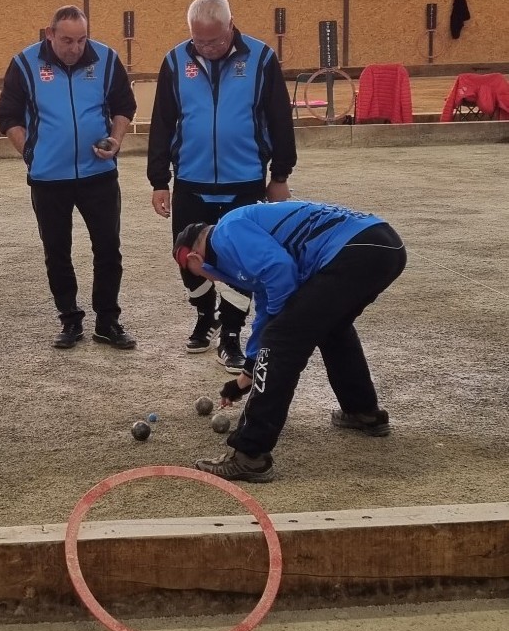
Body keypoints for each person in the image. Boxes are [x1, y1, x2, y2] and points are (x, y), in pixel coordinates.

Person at [173, 200, 407, 482]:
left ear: (195, 260)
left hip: (353, 250)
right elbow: (266, 307)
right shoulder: (241, 237)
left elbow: (280, 270)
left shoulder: (226, 232)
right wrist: (245, 377)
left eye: (198, 273)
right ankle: (362, 411)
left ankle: (249, 453)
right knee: (331, 326)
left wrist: (280, 332)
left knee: (283, 340)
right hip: (383, 245)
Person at [148, 0, 296, 373]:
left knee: (238, 262)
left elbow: (280, 118)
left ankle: (230, 334)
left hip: (244, 181)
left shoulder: (261, 58)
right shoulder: (175, 61)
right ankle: (203, 315)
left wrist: (279, 175)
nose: (207, 48)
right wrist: (159, 180)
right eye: (199, 41)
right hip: (191, 181)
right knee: (186, 257)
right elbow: (163, 122)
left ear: (231, 27)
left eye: (214, 41)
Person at [0, 5, 138, 349]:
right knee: (57, 251)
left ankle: (107, 321)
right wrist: (30, 152)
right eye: (67, 40)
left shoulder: (106, 59)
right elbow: (7, 115)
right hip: (48, 179)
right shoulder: (25, 64)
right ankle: (70, 320)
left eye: (81, 39)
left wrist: (116, 140)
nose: (75, 48)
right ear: (50, 34)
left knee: (108, 250)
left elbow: (124, 105)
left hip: (98, 175)